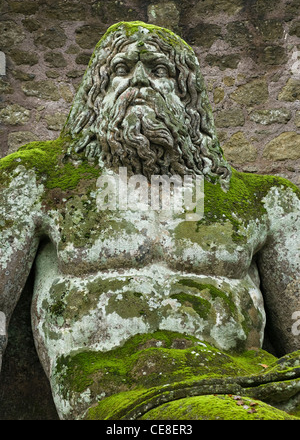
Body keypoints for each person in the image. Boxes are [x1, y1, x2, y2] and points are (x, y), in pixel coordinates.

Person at [0, 21, 300, 420]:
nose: (139, 80)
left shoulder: (266, 201)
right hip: (114, 386)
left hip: (250, 384)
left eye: (159, 71)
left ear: (189, 99)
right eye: (121, 70)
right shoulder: (39, 180)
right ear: (95, 96)